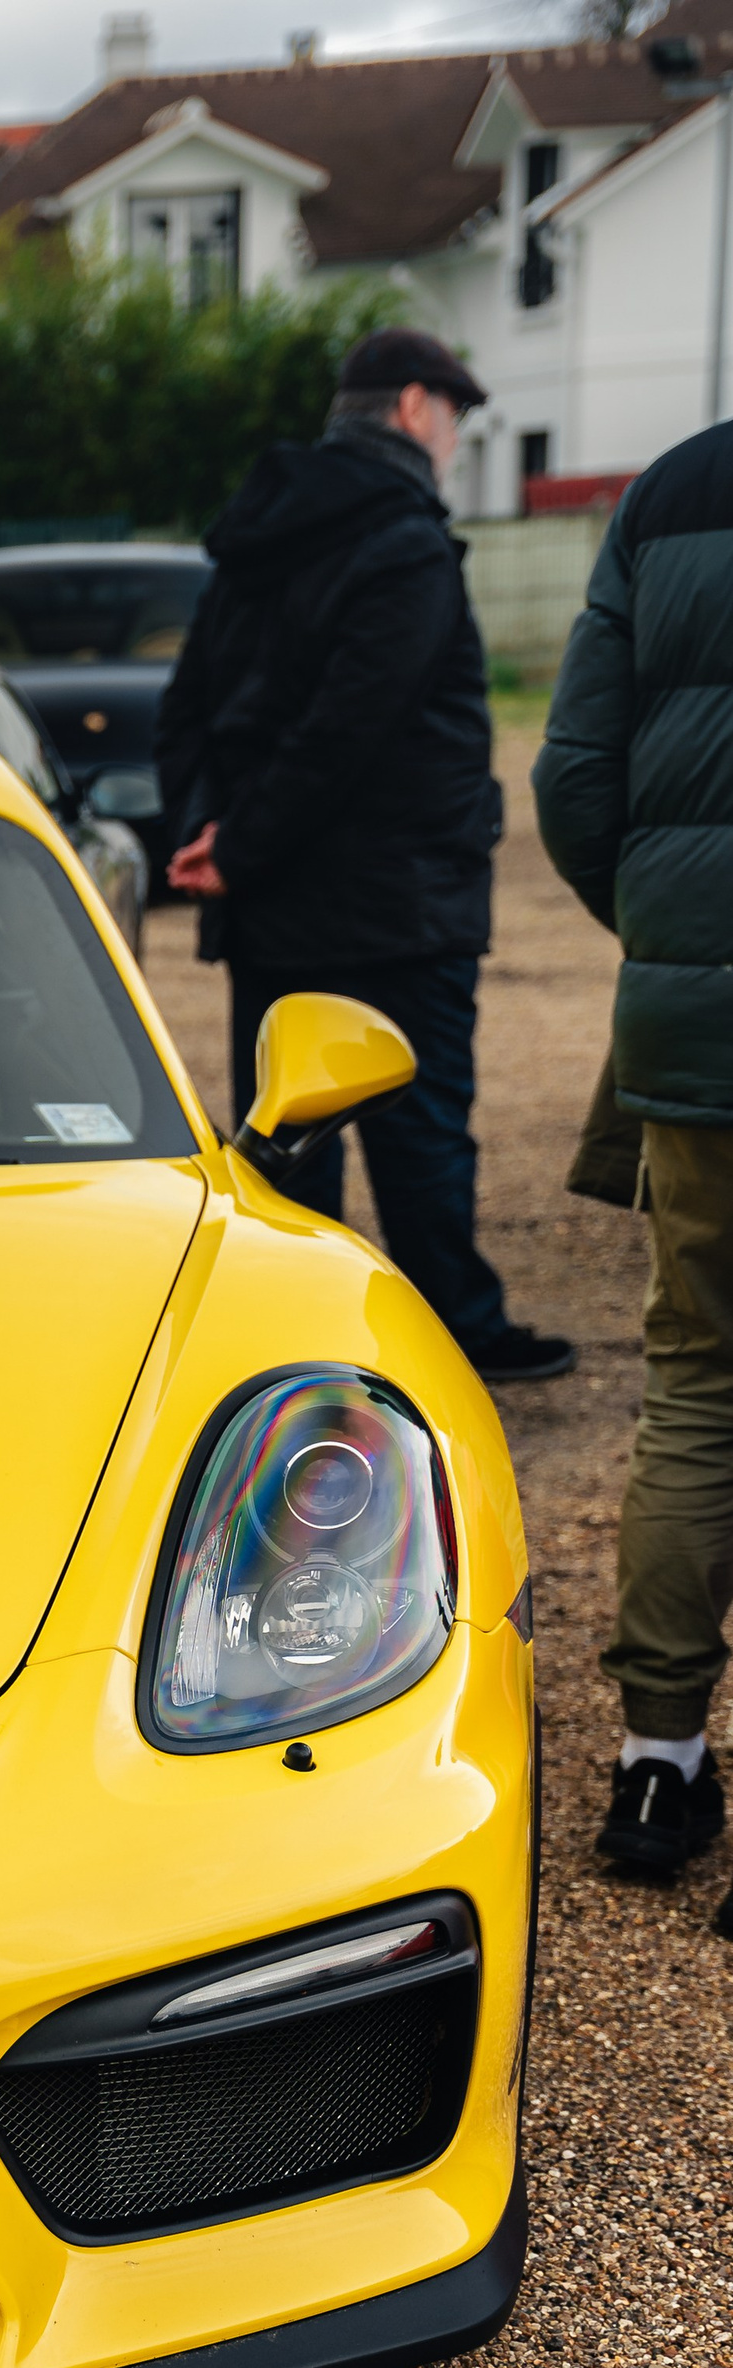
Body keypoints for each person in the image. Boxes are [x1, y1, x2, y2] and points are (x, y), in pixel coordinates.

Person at [156, 325, 572, 1386]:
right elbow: (355, 727)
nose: (452, 442)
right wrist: (234, 843)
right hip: (398, 895)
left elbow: (190, 706)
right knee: (419, 1122)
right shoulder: (405, 543)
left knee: (291, 1129)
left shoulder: (254, 540)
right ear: (410, 408)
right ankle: (449, 1338)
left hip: (274, 899)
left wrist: (210, 834)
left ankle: (300, 1342)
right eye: (452, 417)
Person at [536, 416, 733, 1902]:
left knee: (696, 1388)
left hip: (696, 1032)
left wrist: (676, 935)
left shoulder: (675, 490)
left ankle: (657, 1763)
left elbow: (577, 776)